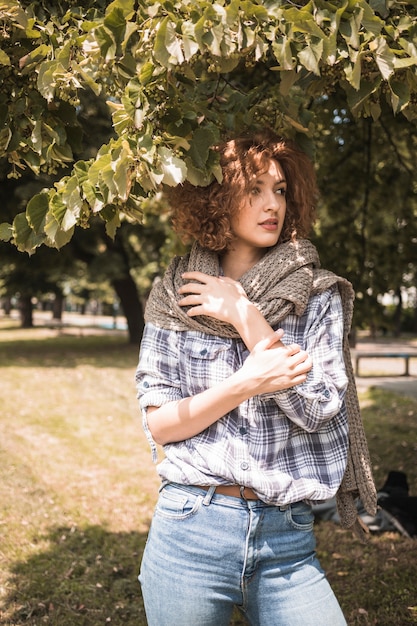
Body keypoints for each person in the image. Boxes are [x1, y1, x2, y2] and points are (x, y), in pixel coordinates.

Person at [135, 128, 377, 626]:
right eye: (254, 189)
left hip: (286, 540)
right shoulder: (172, 294)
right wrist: (245, 383)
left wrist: (246, 316)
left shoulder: (319, 294)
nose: (273, 205)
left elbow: (318, 407)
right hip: (190, 529)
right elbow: (160, 425)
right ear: (218, 197)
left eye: (281, 190)